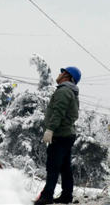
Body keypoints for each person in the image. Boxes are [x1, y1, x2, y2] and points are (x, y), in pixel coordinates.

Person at [35, 66, 81, 205]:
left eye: (62, 72)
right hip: (67, 134)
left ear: (68, 76)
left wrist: (50, 129)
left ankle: (46, 196)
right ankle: (66, 195)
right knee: (64, 167)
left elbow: (58, 112)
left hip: (60, 135)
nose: (59, 74)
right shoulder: (70, 91)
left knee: (53, 166)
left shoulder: (64, 91)